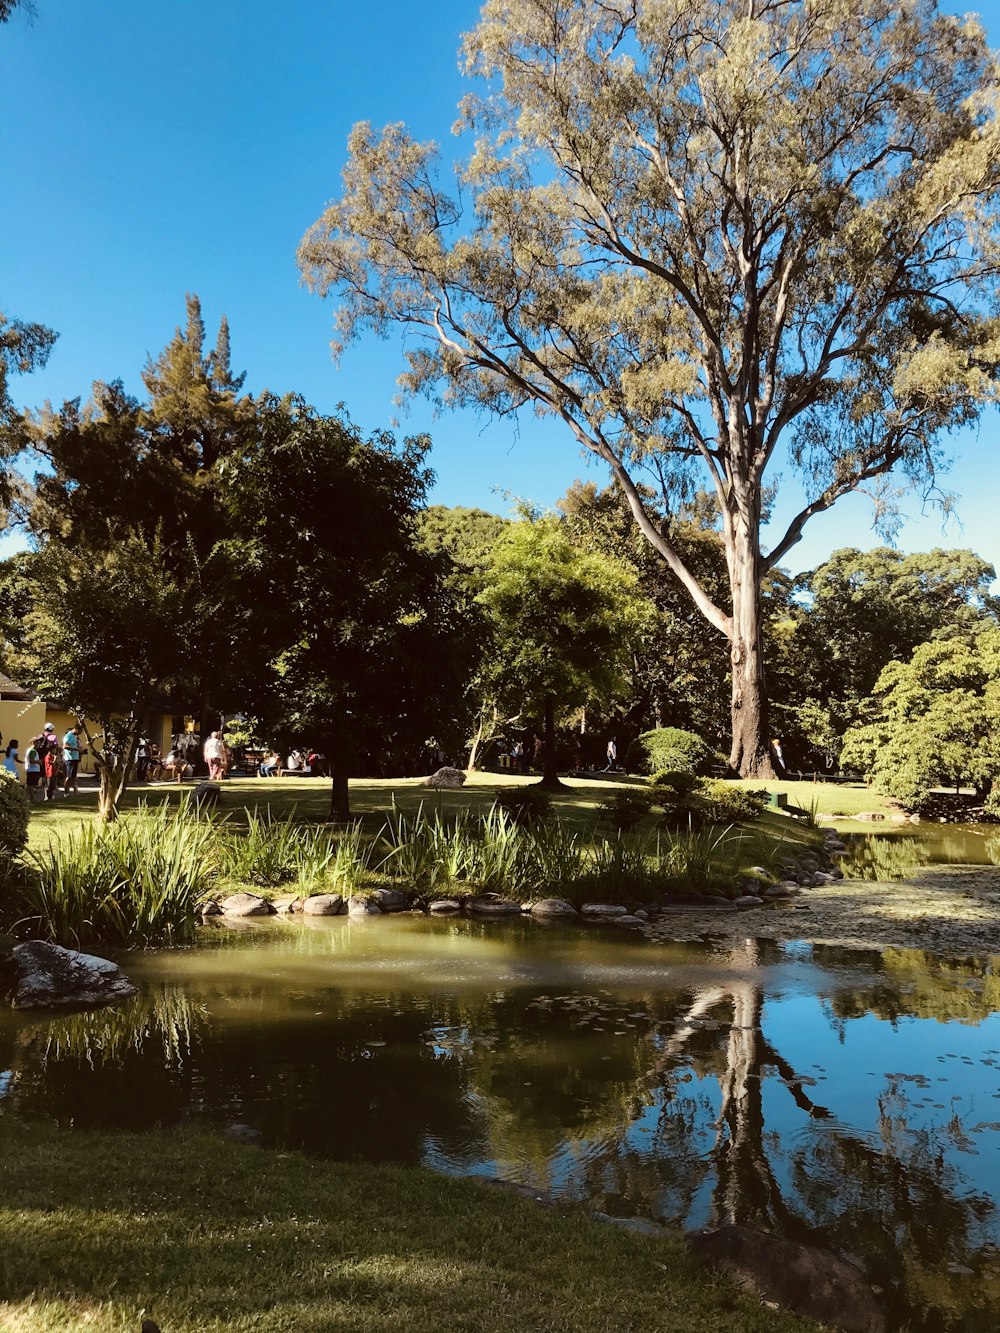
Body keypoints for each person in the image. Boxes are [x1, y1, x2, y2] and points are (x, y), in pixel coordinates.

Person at [62, 725, 83, 794]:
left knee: (73, 777)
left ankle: (75, 792)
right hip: (70, 759)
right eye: (80, 731)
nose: (80, 733)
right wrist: (76, 749)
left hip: (75, 758)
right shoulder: (69, 736)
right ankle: (66, 792)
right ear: (76, 729)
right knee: (69, 776)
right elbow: (65, 746)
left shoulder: (74, 736)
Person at [25, 737, 42, 801]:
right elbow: (31, 760)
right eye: (38, 743)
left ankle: (26, 797)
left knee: (29, 784)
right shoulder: (32, 751)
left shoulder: (31, 750)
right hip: (33, 769)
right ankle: (32, 798)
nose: (39, 745)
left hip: (32, 769)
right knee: (31, 784)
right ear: (34, 743)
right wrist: (38, 761)